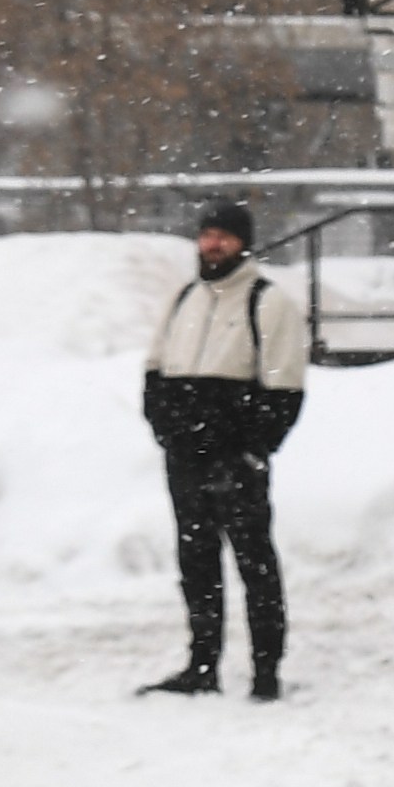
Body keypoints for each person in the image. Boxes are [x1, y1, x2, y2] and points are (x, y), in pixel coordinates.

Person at [139, 199, 309, 700]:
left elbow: (285, 388)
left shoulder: (267, 301)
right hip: (185, 459)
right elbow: (154, 370)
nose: (213, 244)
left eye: (224, 236)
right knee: (197, 563)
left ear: (243, 243)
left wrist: (253, 449)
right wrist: (167, 431)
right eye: (207, 234)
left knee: (255, 564)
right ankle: (202, 666)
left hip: (237, 460)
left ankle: (265, 673)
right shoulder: (184, 298)